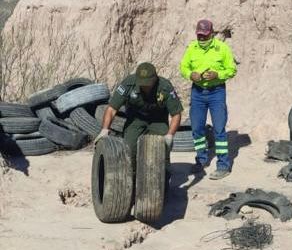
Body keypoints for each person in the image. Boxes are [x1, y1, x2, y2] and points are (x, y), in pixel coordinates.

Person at [95, 62, 183, 184]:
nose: (145, 86)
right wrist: (105, 130)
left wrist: (170, 135)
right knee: (128, 148)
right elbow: (112, 109)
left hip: (158, 120)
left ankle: (164, 175)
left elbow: (176, 113)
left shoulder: (165, 87)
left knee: (162, 148)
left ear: (155, 79)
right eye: (142, 83)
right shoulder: (128, 83)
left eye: (148, 83)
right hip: (136, 119)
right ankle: (133, 178)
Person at [180, 19, 237, 180]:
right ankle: (201, 160)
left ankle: (223, 165)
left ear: (211, 34)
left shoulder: (222, 48)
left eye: (205, 36)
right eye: (199, 36)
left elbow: (232, 69)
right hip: (197, 93)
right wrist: (190, 74)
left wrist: (217, 74)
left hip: (216, 92)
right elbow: (184, 66)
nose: (202, 39)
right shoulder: (192, 48)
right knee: (197, 128)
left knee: (219, 129)